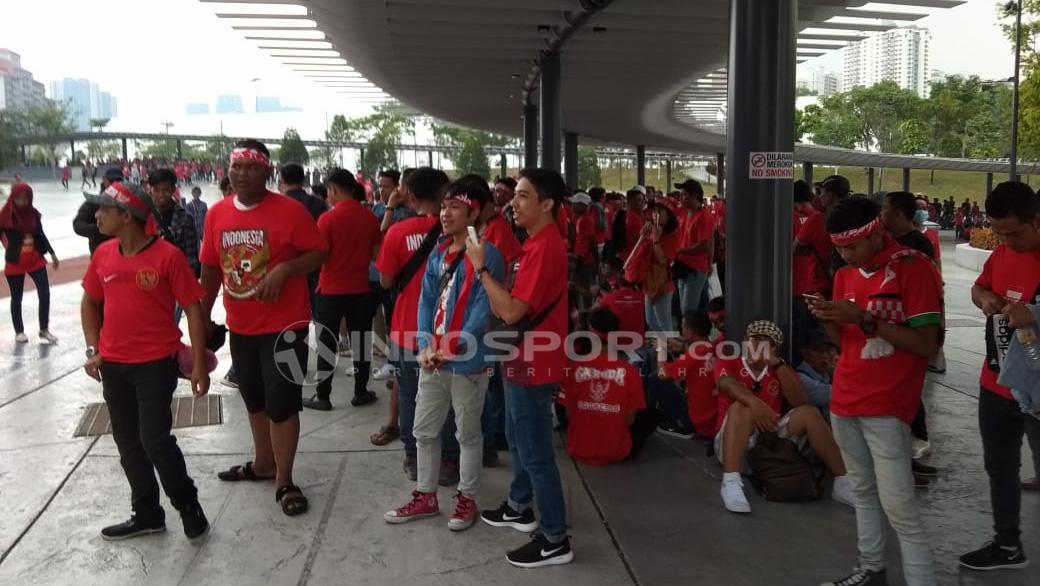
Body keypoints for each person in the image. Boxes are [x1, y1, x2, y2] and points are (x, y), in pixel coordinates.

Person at [809, 197, 942, 586]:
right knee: (863, 491)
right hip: (845, 397)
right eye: (838, 248)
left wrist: (865, 319)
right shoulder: (844, 275)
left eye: (851, 246)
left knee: (900, 507)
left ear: (876, 232)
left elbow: (925, 344)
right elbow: (842, 341)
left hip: (887, 405)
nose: (845, 255)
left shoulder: (912, 269)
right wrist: (828, 317)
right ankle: (871, 570)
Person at [201, 140, 328, 517]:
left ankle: (285, 479)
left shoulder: (290, 211)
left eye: (250, 168)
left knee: (282, 404)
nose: (241, 175)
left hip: (285, 326)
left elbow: (320, 252)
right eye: (235, 167)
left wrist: (287, 269)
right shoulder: (216, 214)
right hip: (240, 325)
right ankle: (262, 464)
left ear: (267, 171)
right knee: (254, 399)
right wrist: (202, 316)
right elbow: (209, 268)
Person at [79, 181, 209, 541]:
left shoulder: (168, 257)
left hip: (156, 363)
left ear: (126, 216)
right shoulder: (104, 254)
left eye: (105, 209)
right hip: (114, 367)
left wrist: (198, 364)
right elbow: (90, 302)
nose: (98, 215)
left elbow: (194, 311)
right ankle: (148, 513)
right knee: (128, 442)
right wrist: (93, 350)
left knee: (155, 440)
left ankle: (187, 503)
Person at [466, 168, 573, 568]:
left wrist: (480, 267)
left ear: (547, 204)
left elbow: (510, 310)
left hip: (534, 362)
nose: (513, 203)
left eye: (524, 196)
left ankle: (555, 538)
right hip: (521, 356)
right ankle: (520, 505)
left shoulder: (545, 248)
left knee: (535, 451)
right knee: (517, 435)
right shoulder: (534, 244)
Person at [384, 178, 504, 531]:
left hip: (467, 362)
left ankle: (466, 498)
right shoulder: (438, 252)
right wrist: (425, 345)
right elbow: (425, 299)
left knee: (467, 435)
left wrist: (450, 347)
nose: (445, 212)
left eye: (455, 207)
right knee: (424, 430)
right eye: (444, 206)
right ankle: (425, 495)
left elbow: (484, 310)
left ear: (474, 211)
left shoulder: (487, 254)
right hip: (433, 360)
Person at [958, 181, 1040, 572]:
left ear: (1036, 221)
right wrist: (984, 298)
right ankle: (1007, 544)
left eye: (1015, 233)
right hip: (995, 382)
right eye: (1000, 233)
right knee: (1000, 467)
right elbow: (978, 287)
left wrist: (1035, 316)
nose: (1007, 241)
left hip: (1038, 391)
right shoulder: (1003, 253)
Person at [714, 320, 852, 515]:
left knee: (809, 413)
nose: (758, 345)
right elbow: (726, 384)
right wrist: (755, 403)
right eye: (755, 339)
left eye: (766, 342)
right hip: (735, 441)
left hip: (770, 440)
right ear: (746, 341)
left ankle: (842, 481)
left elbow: (800, 401)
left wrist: (777, 365)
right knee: (740, 408)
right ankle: (730, 481)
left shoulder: (780, 369)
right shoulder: (730, 361)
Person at [376, 167, 461, 484]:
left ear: (409, 195)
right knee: (450, 398)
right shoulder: (458, 230)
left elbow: (385, 280)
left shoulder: (398, 231)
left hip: (407, 329)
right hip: (450, 330)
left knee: (412, 396)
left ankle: (414, 457)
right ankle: (450, 461)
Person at [304, 169, 381, 411]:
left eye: (328, 191)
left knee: (327, 342)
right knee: (361, 341)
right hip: (360, 289)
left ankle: (323, 395)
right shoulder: (370, 218)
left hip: (330, 290)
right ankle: (360, 391)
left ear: (334, 190)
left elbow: (320, 255)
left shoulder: (327, 219)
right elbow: (376, 255)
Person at [560, 308, 646, 465]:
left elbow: (568, 416)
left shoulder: (571, 368)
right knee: (649, 413)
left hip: (578, 449)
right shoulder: (630, 371)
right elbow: (630, 421)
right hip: (617, 452)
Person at [1, 183, 59, 343]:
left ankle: (44, 329)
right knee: (16, 298)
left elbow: (40, 234)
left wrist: (52, 253)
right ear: (13, 198)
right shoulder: (5, 215)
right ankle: (19, 331)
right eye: (19, 199)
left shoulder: (33, 214)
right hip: (15, 262)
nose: (22, 202)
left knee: (45, 293)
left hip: (35, 259)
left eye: (25, 199)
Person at [654, 310, 716, 438]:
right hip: (709, 414)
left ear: (692, 330)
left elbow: (662, 374)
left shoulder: (696, 352)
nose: (682, 331)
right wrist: (682, 348)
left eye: (683, 326)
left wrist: (661, 350)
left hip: (698, 420)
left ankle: (682, 425)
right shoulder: (710, 346)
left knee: (655, 378)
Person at [792, 180, 829, 361]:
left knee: (800, 332)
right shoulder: (820, 216)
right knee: (820, 330)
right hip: (819, 281)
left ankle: (803, 365)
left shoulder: (791, 218)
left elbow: (793, 249)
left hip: (797, 283)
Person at [796, 175, 850, 282]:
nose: (819, 197)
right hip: (850, 280)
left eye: (821, 192)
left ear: (830, 196)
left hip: (822, 283)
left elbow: (796, 249)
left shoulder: (818, 219)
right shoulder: (856, 217)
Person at [636, 201, 679, 334]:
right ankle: (659, 350)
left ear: (669, 215)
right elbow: (640, 253)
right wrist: (642, 237)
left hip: (662, 285)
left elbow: (662, 259)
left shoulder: (672, 236)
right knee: (651, 321)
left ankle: (670, 351)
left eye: (660, 212)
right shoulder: (650, 231)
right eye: (654, 212)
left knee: (664, 323)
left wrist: (655, 237)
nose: (656, 215)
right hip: (649, 282)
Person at [673, 179, 714, 314]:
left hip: (695, 269)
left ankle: (690, 334)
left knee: (688, 310)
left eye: (684, 194)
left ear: (695, 196)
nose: (680, 197)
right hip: (682, 267)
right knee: (685, 308)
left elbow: (704, 245)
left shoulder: (704, 216)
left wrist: (680, 251)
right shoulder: (684, 214)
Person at [148, 169, 200, 275]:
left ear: (173, 190)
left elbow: (191, 255)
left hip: (177, 273)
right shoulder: (144, 216)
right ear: (150, 190)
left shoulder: (185, 217)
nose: (161, 194)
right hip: (150, 275)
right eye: (156, 190)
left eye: (166, 190)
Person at [74, 167, 123, 255]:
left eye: (118, 181)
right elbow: (77, 225)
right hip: (99, 253)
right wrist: (100, 229)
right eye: (111, 181)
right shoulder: (92, 203)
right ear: (104, 180)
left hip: (123, 253)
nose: (114, 184)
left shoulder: (125, 203)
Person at [796, 329, 837, 420]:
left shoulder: (827, 374)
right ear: (805, 353)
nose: (825, 355)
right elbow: (839, 394)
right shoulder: (800, 378)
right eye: (819, 351)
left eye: (828, 350)